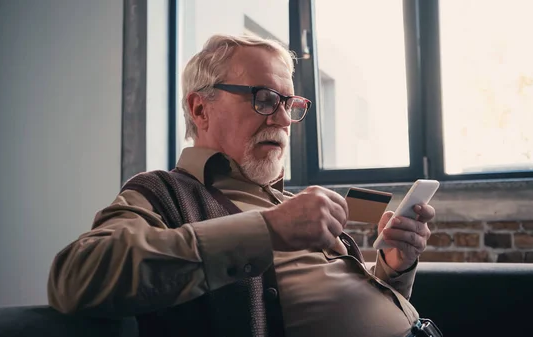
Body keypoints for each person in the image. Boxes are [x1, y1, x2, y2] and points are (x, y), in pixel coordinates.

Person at [47, 34, 438, 337]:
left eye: (289, 104)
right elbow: (75, 278)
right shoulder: (163, 193)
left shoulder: (289, 202)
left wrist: (391, 270)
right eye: (265, 99)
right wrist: (267, 231)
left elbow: (342, 302)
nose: (283, 120)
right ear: (201, 108)